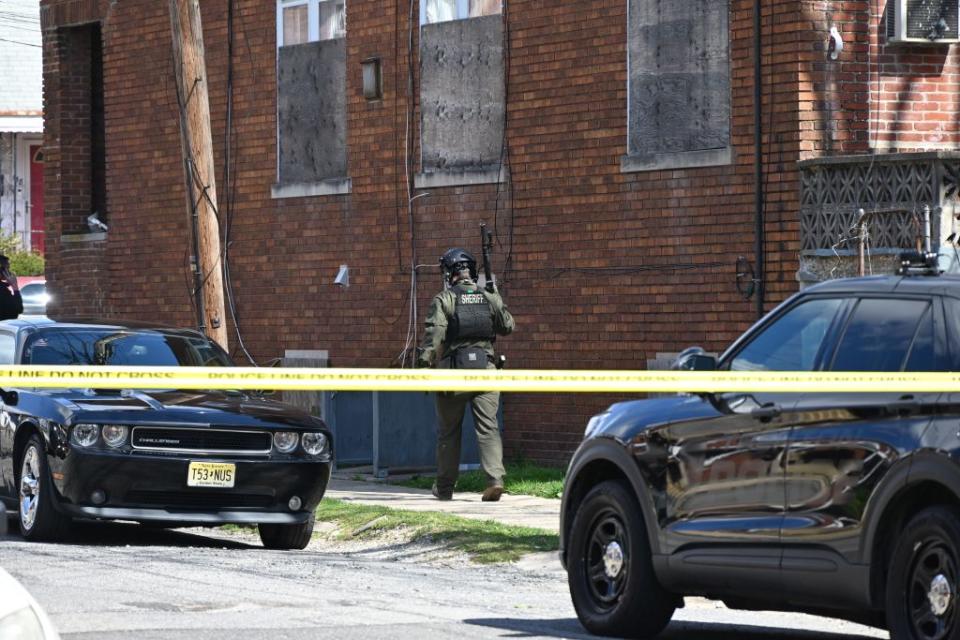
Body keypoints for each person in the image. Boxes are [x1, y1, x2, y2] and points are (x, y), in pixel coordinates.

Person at [416, 247, 514, 502]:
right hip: (487, 371)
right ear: (471, 271)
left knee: (449, 432)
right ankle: (494, 480)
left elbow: (434, 334)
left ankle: (445, 488)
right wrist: (497, 298)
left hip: (453, 374)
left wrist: (423, 366)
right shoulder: (488, 296)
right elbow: (508, 327)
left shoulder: (444, 299)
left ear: (450, 273)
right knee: (489, 428)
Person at [0, 255, 23, 320]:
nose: (9, 272)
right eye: (7, 268)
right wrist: (15, 287)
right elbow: (18, 309)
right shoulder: (2, 291)